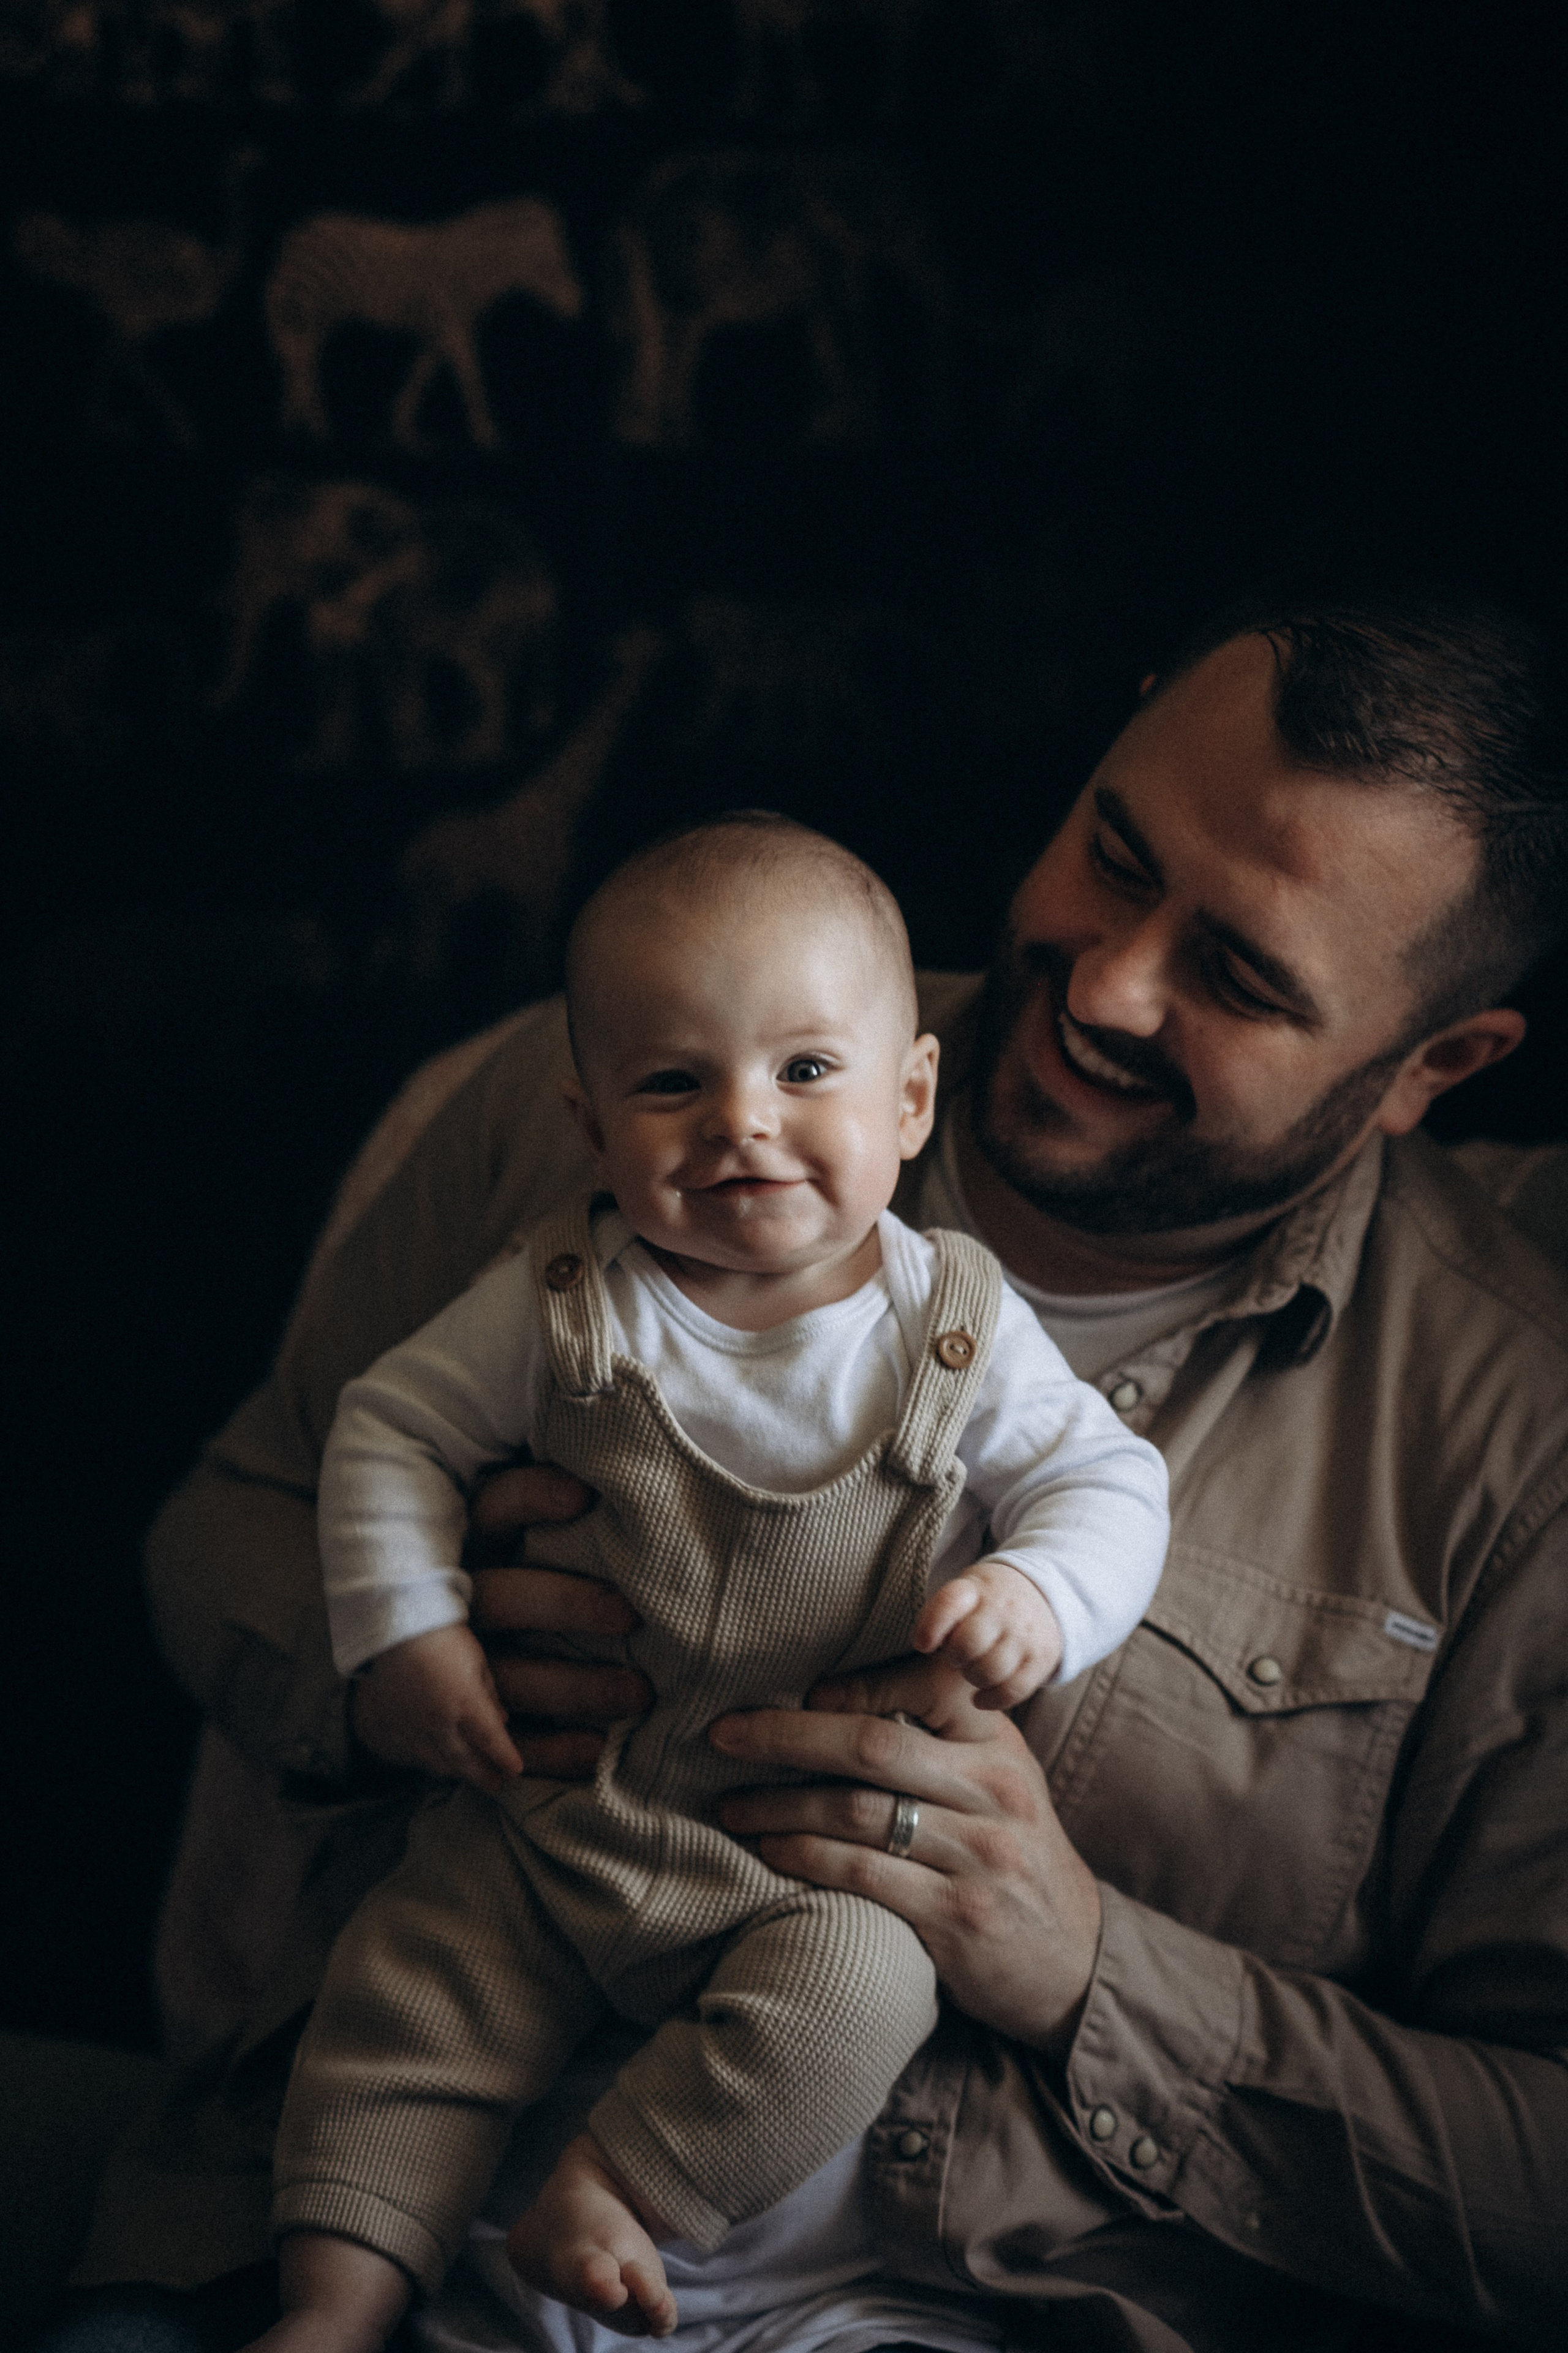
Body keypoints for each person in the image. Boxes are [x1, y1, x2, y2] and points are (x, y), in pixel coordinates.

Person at [64, 594, 1568, 2353]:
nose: (1102, 982)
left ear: (1431, 1069)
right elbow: (220, 1523)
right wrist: (398, 1649)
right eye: (1114, 850)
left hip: (928, 2307)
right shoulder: (626, 1069)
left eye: (1238, 974)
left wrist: (1092, 1964)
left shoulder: (1512, 1449)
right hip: (333, 2212)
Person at [252, 818, 1167, 2349]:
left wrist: (1042, 1592)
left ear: (910, 1099)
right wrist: (405, 1626)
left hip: (794, 1866)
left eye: (805, 1071)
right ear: (591, 1120)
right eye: (672, 1082)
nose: (741, 1122)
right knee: (406, 1997)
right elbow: (391, 1430)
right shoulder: (558, 1297)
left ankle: (620, 2187)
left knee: (867, 1993)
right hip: (560, 1812)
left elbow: (1108, 1482)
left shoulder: (953, 1324)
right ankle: (333, 2305)